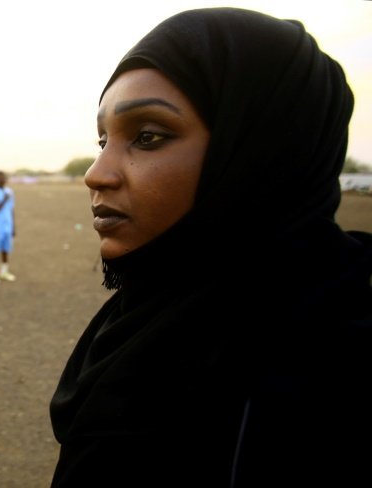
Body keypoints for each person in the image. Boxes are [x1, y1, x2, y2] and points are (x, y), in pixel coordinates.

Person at [49, 8, 372, 487]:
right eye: (102, 139)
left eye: (147, 136)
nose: (97, 173)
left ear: (261, 154)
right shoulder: (148, 318)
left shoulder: (320, 379)